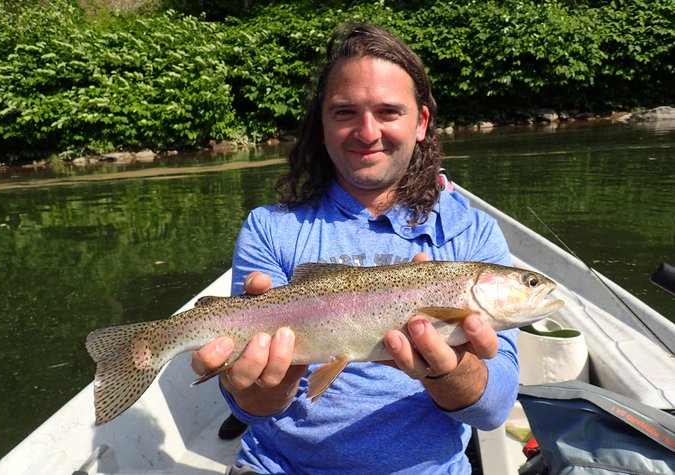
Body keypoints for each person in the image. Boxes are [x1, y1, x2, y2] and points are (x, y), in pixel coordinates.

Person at [192, 22, 519, 474]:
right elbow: (251, 407)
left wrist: (446, 371)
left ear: (421, 122)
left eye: (388, 112)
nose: (367, 133)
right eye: (345, 112)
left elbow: (493, 409)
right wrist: (269, 384)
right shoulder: (269, 228)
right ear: (322, 125)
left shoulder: (471, 233)